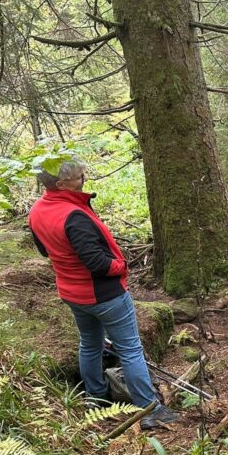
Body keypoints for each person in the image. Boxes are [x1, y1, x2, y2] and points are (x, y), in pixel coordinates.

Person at [28, 158, 178, 429]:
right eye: (79, 177)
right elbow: (97, 264)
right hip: (104, 295)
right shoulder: (73, 217)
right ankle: (149, 410)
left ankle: (96, 400)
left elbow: (44, 250)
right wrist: (121, 266)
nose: (83, 179)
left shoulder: (38, 210)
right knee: (130, 349)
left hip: (72, 293)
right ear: (60, 184)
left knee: (90, 343)